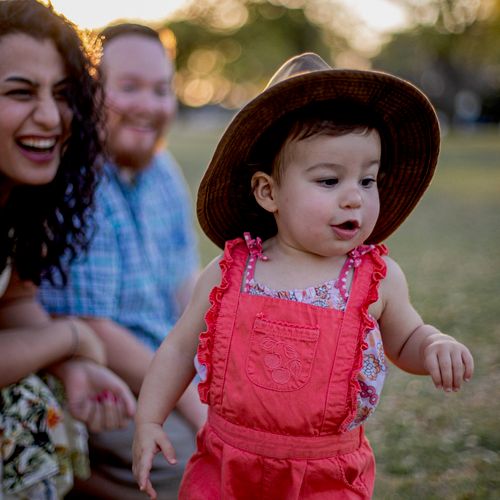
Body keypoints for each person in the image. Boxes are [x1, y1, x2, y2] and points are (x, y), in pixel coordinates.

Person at [132, 53, 475, 500]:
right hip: (225, 467)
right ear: (268, 192)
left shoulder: (377, 278)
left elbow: (405, 340)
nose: (354, 198)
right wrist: (149, 420)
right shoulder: (231, 270)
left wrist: (432, 344)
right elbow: (178, 348)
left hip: (326, 477)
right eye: (330, 181)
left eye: (368, 180)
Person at [39, 23, 205, 499]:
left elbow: (184, 285)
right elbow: (92, 325)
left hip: (166, 367)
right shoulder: (74, 178)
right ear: (90, 93)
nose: (149, 106)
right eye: (129, 87)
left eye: (161, 89)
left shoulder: (162, 172)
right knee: (193, 464)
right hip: (94, 373)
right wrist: (195, 404)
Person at [0, 1, 136, 498]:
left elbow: (14, 304)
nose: (51, 116)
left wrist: (75, 366)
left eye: (62, 94)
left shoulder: (17, 202)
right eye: (20, 92)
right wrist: (71, 337)